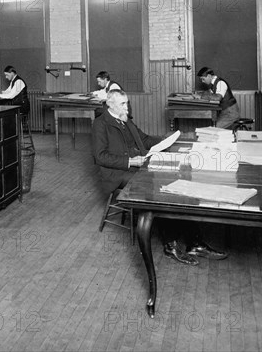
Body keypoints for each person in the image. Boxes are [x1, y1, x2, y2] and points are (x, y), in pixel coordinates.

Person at [92, 89, 226, 265]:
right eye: (122, 104)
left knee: (175, 181)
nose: (127, 107)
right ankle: (171, 245)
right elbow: (100, 157)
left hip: (139, 165)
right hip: (117, 172)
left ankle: (195, 242)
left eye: (127, 103)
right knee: (160, 190)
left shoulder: (125, 119)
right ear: (110, 104)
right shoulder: (100, 124)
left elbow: (145, 140)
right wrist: (131, 161)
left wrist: (167, 140)